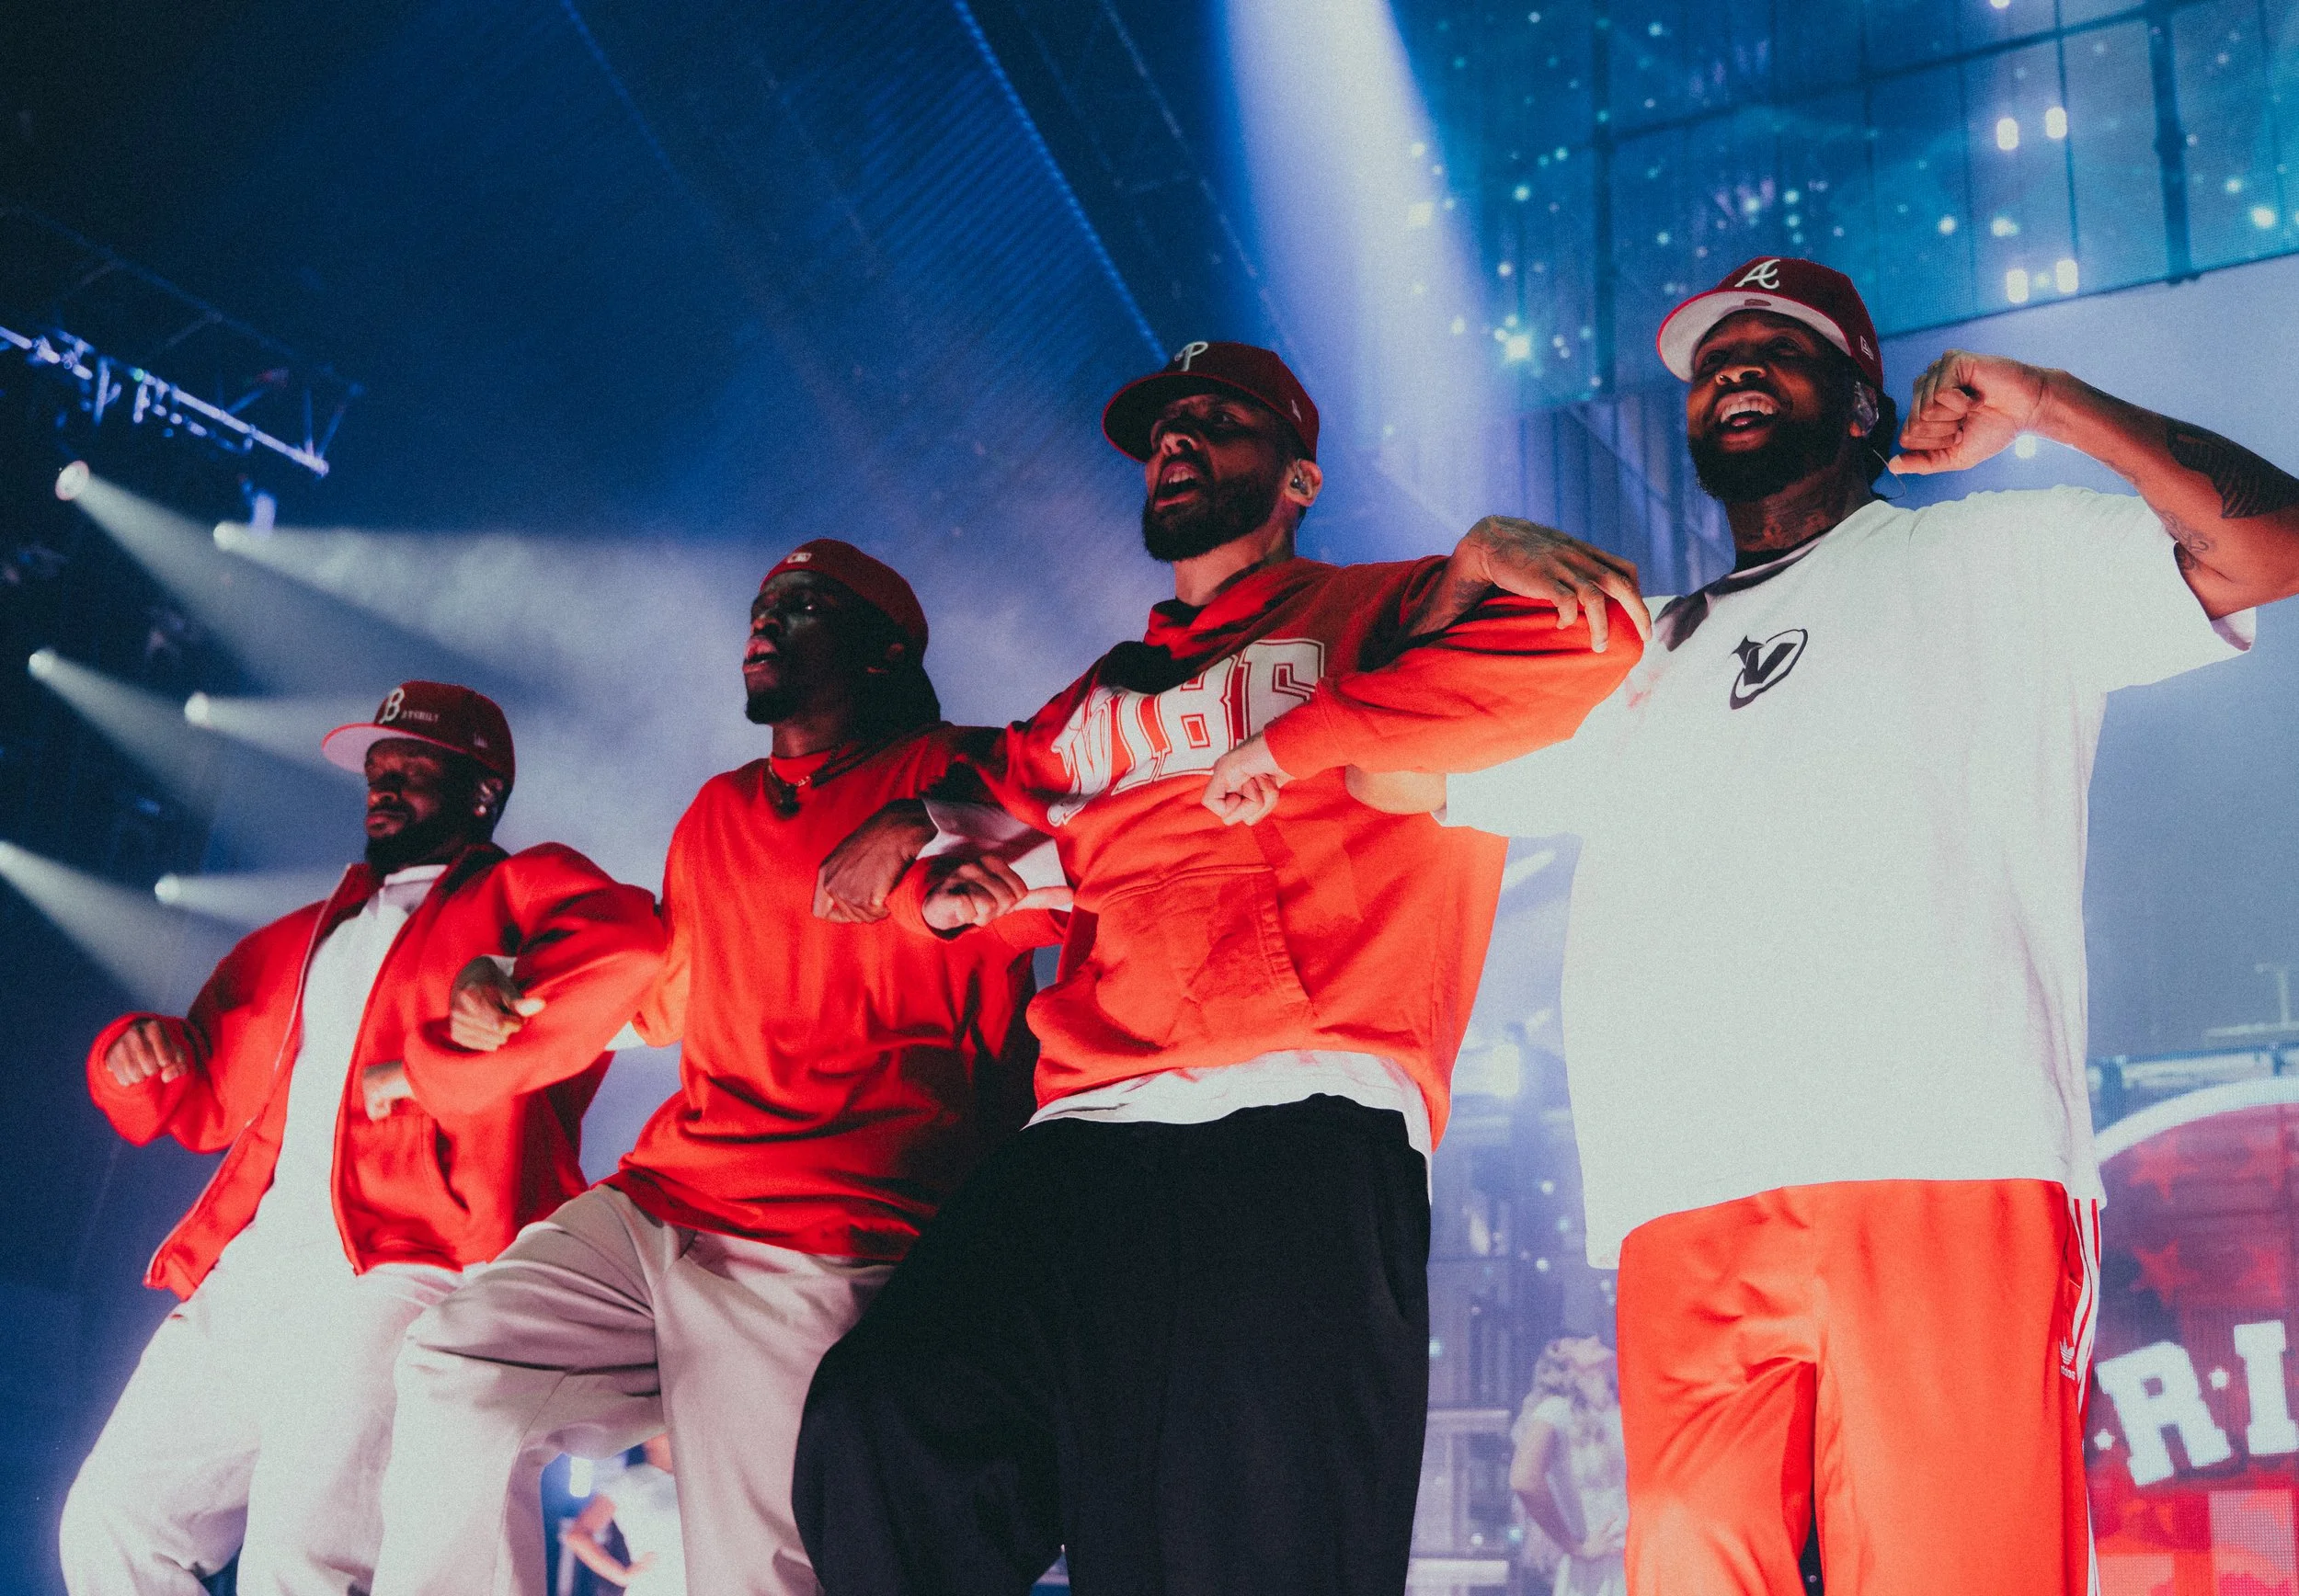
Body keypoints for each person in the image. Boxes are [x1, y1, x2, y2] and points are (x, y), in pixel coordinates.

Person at [1337, 256, 2299, 1594]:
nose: (1734, 366)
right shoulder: (1637, 659)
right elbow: (1382, 767)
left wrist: (2050, 401)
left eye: (1778, 349)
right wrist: (1464, 579)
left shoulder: (1990, 556)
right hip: (1687, 1197)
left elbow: (2271, 543)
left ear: (1863, 407)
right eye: (1714, 355)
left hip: (1941, 1163)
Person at [793, 341, 1645, 1596]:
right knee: (888, 1422)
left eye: (1219, 421)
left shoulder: (1384, 609)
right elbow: (1007, 813)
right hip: (1079, 1132)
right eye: (1166, 424)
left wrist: (1337, 709)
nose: (1179, 437)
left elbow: (1598, 645)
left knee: (1234, 1549)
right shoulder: (1099, 695)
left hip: (1293, 1116)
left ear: (1299, 479)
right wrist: (929, 854)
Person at [372, 542, 1051, 1596]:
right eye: (762, 602)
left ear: (882, 654)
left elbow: (1085, 836)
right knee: (456, 1365)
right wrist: (505, 977)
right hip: (664, 1196)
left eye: (803, 604)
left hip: (836, 1223)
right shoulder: (716, 811)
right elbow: (663, 997)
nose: (765, 620)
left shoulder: (962, 770)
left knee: (756, 1574)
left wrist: (934, 818)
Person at [62, 681, 665, 1596]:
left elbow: (629, 950)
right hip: (256, 1267)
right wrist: (129, 1055)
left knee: (304, 1560)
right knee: (113, 1522)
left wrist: (508, 978)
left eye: (413, 767)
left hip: (405, 1265)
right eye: (378, 769)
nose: (384, 784)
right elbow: (193, 1104)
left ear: (480, 792)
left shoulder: (523, 888)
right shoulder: (297, 939)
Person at [1510, 1338, 1626, 1596]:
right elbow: (1524, 1479)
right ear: (1565, 1365)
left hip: (1641, 1558)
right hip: (1600, 1570)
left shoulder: (1620, 1409)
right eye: (1576, 1342)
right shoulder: (1555, 1411)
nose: (1594, 1338)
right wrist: (1575, 1547)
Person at [563, 1436, 685, 1596]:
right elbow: (577, 1535)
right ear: (648, 1439)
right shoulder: (627, 1483)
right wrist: (622, 1576)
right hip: (656, 1587)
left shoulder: (697, 1480)